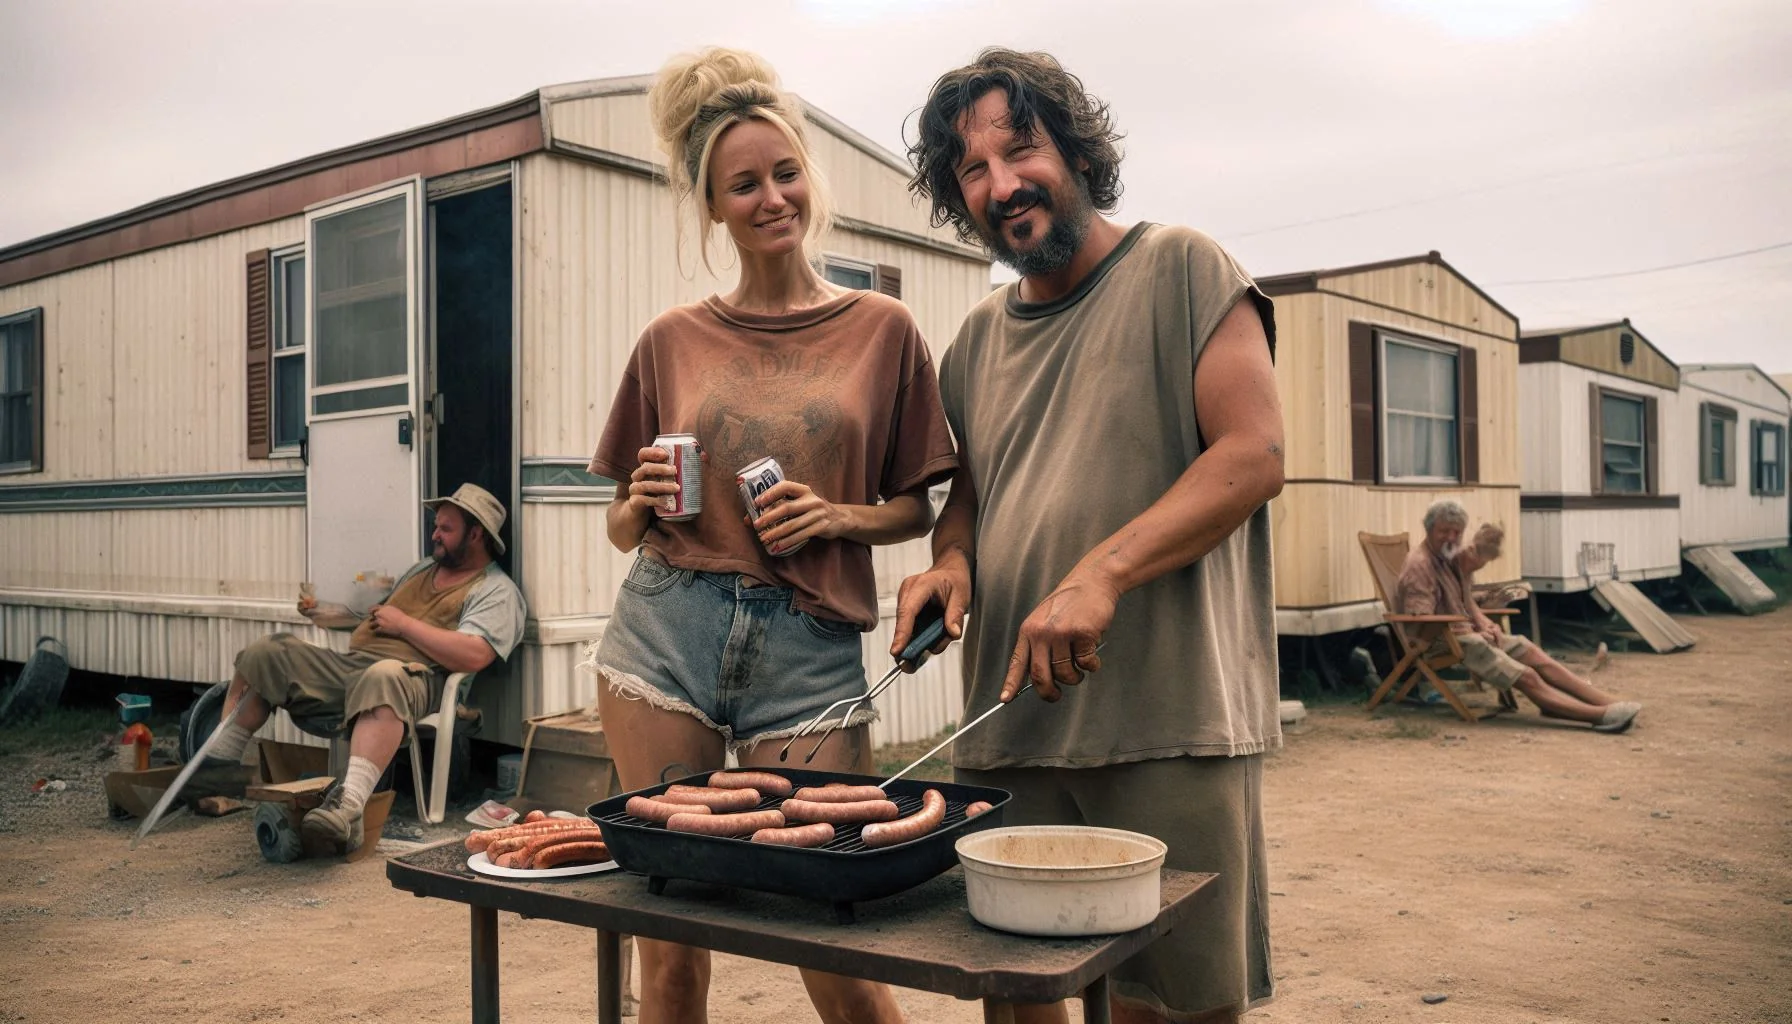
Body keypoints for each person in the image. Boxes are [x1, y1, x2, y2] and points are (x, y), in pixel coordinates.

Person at [893, 48, 1285, 1024]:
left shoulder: (1181, 267)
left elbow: (1252, 454)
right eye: (970, 172)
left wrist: (1100, 572)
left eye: (1019, 149)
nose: (1001, 184)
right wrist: (946, 564)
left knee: (1173, 1004)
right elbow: (972, 500)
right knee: (1015, 995)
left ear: (1072, 147)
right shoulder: (976, 339)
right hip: (1009, 721)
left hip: (1164, 716)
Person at [582, 47, 956, 1024]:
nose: (770, 196)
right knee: (670, 950)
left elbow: (916, 508)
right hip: (666, 635)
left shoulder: (884, 329)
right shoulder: (671, 339)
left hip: (809, 650)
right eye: (742, 183)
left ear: (808, 178)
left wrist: (835, 515)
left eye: (783, 172)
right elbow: (625, 526)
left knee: (832, 941)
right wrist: (641, 498)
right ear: (712, 204)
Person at [199, 483, 525, 852]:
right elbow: (369, 613)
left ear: (477, 534)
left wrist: (403, 625)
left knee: (383, 675)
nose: (434, 534)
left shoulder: (496, 590)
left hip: (417, 680)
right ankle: (215, 771)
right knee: (268, 653)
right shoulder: (420, 570)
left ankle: (346, 807)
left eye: (445, 528)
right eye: (436, 525)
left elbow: (474, 654)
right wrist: (325, 610)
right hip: (353, 668)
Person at [1400, 508, 1641, 731]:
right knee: (1526, 675)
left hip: (1464, 634)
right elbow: (1423, 620)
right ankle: (1595, 716)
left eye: (1457, 532)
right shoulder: (1420, 565)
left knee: (1531, 652)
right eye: (1444, 531)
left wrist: (1483, 622)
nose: (1451, 537)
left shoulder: (1447, 557)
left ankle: (1604, 701)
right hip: (1439, 641)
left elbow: (1465, 600)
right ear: (1429, 529)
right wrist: (1470, 633)